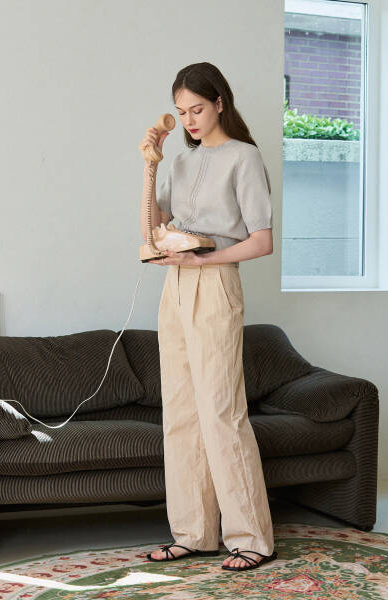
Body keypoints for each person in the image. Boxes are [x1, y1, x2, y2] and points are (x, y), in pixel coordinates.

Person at [138, 62, 277, 572]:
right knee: (180, 412)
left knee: (221, 412)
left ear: (220, 102)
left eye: (197, 108)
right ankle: (194, 534)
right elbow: (152, 230)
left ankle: (252, 537)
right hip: (175, 288)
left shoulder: (244, 157)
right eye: (181, 112)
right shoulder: (180, 162)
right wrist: (150, 166)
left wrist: (206, 259)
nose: (190, 120)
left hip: (216, 283)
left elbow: (261, 241)